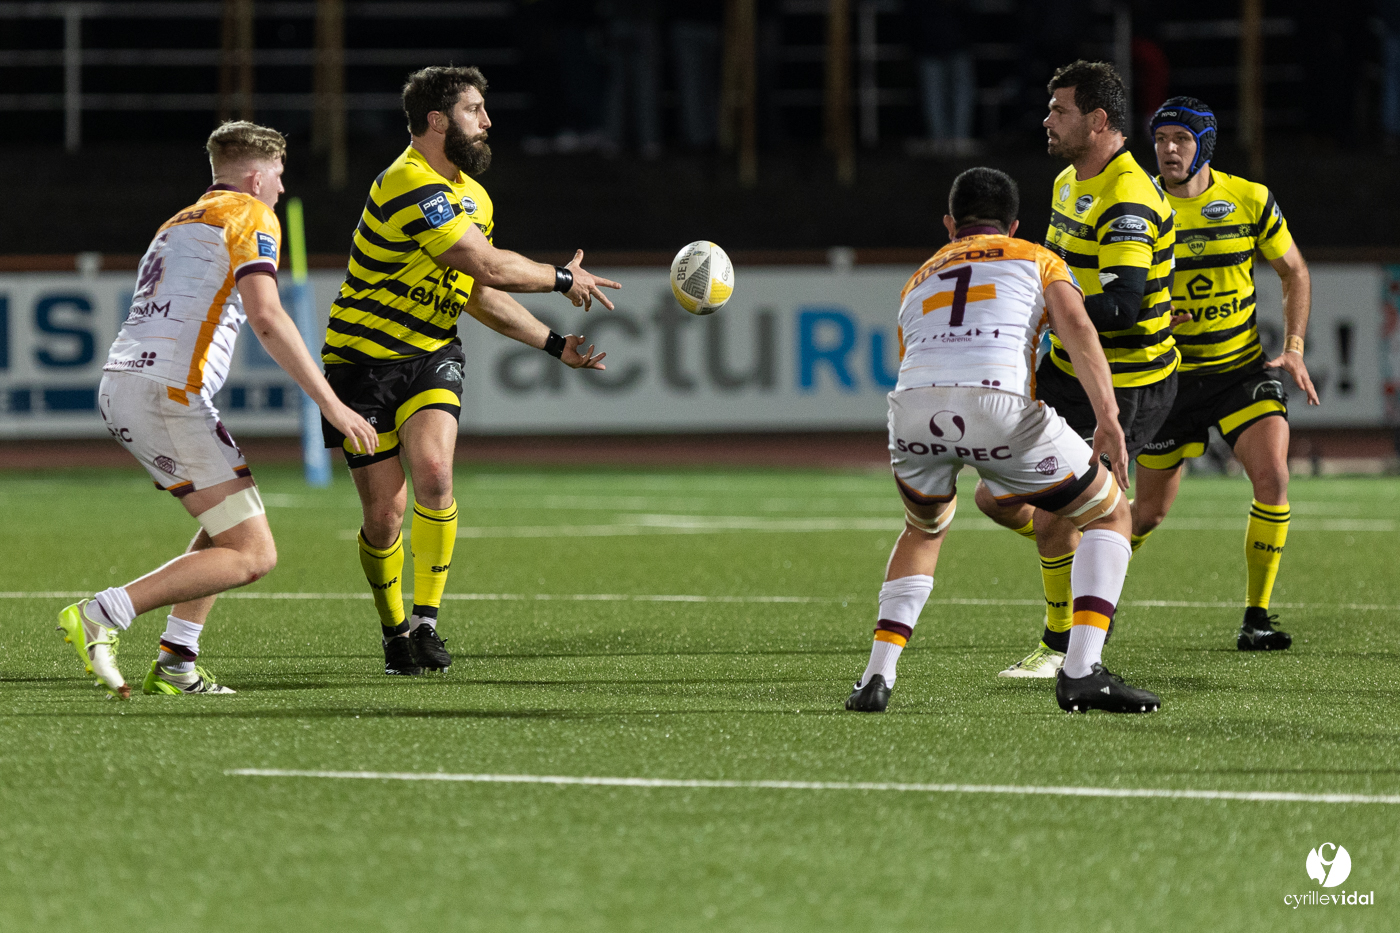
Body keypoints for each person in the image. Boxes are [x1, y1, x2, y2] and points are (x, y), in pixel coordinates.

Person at [56, 121, 379, 699]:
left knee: (225, 523)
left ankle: (178, 660)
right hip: (166, 392)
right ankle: (103, 613)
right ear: (257, 176)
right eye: (278, 176)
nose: (280, 188)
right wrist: (331, 403)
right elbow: (267, 317)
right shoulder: (251, 214)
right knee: (254, 554)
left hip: (130, 382)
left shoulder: (176, 222)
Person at [323, 65, 618, 677]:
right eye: (474, 111)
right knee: (385, 517)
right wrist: (562, 277)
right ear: (438, 121)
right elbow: (484, 263)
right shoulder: (408, 180)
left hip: (431, 352)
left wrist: (552, 342)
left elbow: (473, 288)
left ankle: (427, 625)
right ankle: (393, 630)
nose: (487, 122)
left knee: (434, 472)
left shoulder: (473, 198)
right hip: (361, 360)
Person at [844, 166, 1160, 716]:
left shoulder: (919, 277)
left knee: (923, 529)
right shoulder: (1036, 257)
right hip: (996, 405)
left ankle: (876, 677)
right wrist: (1107, 416)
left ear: (950, 225)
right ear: (1013, 224)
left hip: (912, 409)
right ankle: (1082, 671)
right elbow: (1079, 327)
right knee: (1110, 516)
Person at [979, 60, 1178, 679]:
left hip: (1128, 382)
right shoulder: (1070, 180)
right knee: (993, 496)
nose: (1047, 119)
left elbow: (1120, 308)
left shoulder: (1128, 200)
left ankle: (1062, 644)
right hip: (1067, 373)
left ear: (1097, 121)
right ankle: (1098, 537)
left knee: (1052, 517)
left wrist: (1037, 308)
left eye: (1059, 109)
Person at [1132, 97, 1318, 649]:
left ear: (1204, 145)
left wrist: (1295, 347)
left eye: (1181, 139)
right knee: (1146, 515)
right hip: (1168, 378)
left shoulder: (1248, 199)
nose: (1168, 148)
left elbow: (1294, 271)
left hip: (1240, 370)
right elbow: (1111, 289)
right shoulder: (1136, 206)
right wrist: (1153, 314)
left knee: (1274, 478)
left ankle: (1256, 618)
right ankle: (1090, 602)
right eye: (1161, 138)